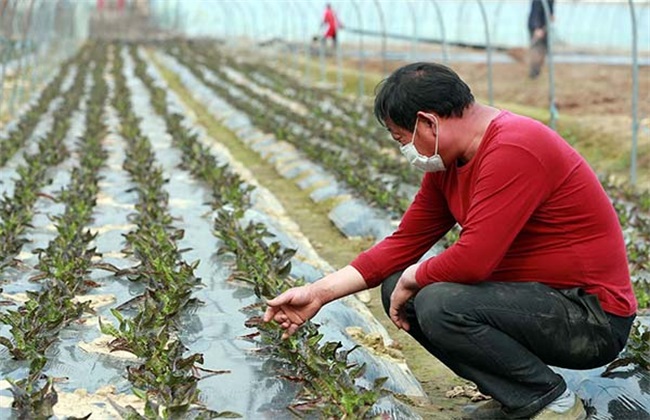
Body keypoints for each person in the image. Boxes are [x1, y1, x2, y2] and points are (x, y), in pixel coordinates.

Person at [263, 62, 637, 419]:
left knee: (438, 302)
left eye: (402, 139)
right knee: (398, 285)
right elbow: (402, 244)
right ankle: (517, 398)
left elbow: (475, 260)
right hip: (537, 300)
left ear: (428, 122)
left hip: (591, 316)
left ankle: (551, 402)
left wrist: (415, 277)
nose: (404, 151)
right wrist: (318, 294)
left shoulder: (514, 147)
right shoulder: (449, 164)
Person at [528, 0, 555, 79]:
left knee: (543, 49)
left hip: (544, 26)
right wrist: (536, 28)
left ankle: (537, 71)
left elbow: (550, 8)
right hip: (536, 27)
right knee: (537, 49)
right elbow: (535, 13)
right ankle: (534, 73)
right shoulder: (538, 1)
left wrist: (551, 15)